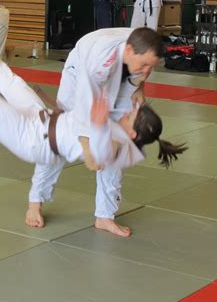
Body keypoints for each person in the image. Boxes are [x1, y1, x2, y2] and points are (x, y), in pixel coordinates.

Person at [0, 33, 185, 175]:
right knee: (9, 80)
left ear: (133, 133)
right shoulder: (119, 129)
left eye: (133, 115)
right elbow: (76, 124)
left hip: (34, 139)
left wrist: (94, 128)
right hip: (43, 119)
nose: (129, 109)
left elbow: (94, 162)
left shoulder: (119, 147)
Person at [25, 26, 164, 237]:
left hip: (122, 76)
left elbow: (143, 65)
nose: (147, 70)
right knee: (59, 139)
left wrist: (139, 86)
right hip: (80, 72)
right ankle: (35, 201)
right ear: (128, 51)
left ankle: (105, 215)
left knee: (119, 143)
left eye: (150, 66)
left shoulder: (143, 44)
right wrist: (90, 151)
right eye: (144, 65)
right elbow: (84, 114)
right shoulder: (99, 63)